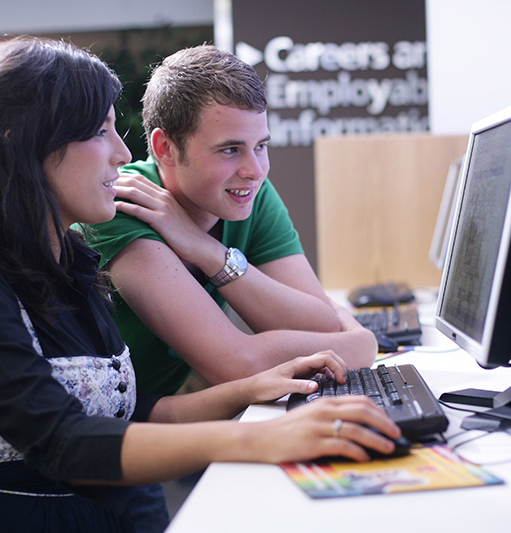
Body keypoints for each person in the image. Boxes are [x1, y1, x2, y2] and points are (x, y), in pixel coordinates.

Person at [0, 36, 402, 532]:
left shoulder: (69, 258)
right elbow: (65, 443)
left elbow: (131, 410)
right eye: (99, 132)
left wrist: (250, 391)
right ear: (26, 145)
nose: (122, 156)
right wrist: (260, 435)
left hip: (110, 501)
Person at [85, 45, 377, 397]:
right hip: (118, 435)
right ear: (165, 148)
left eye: (260, 146)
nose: (254, 171)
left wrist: (207, 251)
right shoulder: (120, 204)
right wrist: (361, 342)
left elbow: (322, 324)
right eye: (229, 149)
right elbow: (238, 365)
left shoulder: (249, 192)